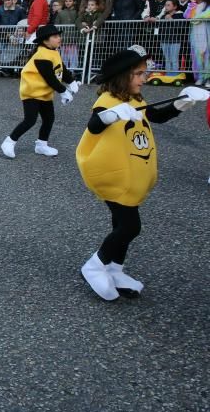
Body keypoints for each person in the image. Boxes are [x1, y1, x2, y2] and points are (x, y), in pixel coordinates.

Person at [76, 47, 207, 300]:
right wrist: (111, 115)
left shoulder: (136, 100)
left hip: (131, 176)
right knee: (130, 226)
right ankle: (95, 265)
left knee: (121, 224)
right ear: (122, 76)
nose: (143, 78)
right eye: (138, 74)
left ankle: (114, 269)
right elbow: (94, 125)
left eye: (144, 73)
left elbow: (155, 116)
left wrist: (180, 103)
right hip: (112, 177)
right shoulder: (107, 101)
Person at [1, 25, 79, 159]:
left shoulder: (53, 51)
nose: (59, 38)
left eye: (59, 36)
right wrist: (63, 91)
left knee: (49, 118)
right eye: (55, 37)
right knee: (30, 120)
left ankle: (41, 145)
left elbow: (61, 69)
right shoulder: (41, 55)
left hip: (44, 93)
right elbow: (49, 77)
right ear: (45, 41)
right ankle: (9, 141)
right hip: (31, 92)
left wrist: (71, 81)